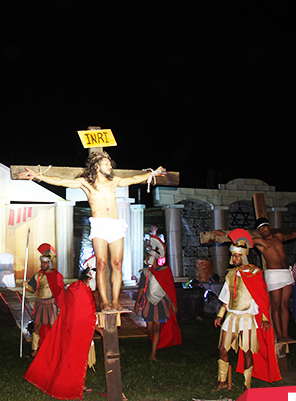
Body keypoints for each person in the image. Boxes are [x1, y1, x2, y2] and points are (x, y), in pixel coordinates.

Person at [19, 151, 166, 311]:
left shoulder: (113, 181)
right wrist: (37, 176)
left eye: (110, 164)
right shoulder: (86, 183)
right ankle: (105, 302)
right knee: (101, 264)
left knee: (117, 263)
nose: (110, 166)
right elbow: (61, 181)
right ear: (96, 166)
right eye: (106, 164)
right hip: (99, 225)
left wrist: (152, 173)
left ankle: (115, 302)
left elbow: (132, 179)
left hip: (115, 224)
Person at [214, 229, 280, 391]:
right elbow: (226, 298)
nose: (233, 259)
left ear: (243, 255)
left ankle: (247, 384)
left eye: (236, 255)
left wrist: (264, 318)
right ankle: (222, 381)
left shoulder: (255, 274)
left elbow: (262, 299)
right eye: (233, 255)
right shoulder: (231, 275)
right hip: (231, 317)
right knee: (223, 349)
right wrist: (220, 316)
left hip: (247, 318)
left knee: (247, 351)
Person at [24, 267, 97, 400]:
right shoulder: (80, 291)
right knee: (71, 358)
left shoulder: (74, 287)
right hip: (71, 327)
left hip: (68, 325)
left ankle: (64, 382)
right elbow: (84, 312)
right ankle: (69, 385)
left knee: (65, 356)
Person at [251, 217, 296, 343]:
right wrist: (227, 236)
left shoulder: (279, 236)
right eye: (260, 229)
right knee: (275, 306)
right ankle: (279, 335)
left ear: (269, 227)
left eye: (264, 227)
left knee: (285, 305)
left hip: (286, 273)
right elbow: (243, 240)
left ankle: (286, 334)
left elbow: (292, 235)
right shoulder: (259, 241)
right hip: (273, 274)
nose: (263, 230)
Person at [133, 234, 181, 361]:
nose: (147, 258)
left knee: (157, 328)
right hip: (149, 302)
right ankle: (152, 340)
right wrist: (137, 303)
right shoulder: (145, 272)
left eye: (149, 256)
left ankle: (153, 354)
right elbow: (142, 288)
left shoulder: (165, 272)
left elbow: (168, 290)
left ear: (154, 258)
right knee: (150, 328)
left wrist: (173, 305)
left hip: (161, 302)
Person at [25, 244, 64, 357]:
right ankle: (35, 350)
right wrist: (26, 285)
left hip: (51, 304)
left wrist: (60, 305)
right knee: (36, 325)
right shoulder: (38, 275)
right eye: (42, 263)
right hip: (40, 304)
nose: (42, 265)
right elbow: (32, 290)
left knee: (53, 326)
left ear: (50, 263)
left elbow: (59, 292)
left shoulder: (56, 276)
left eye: (45, 263)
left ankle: (55, 349)